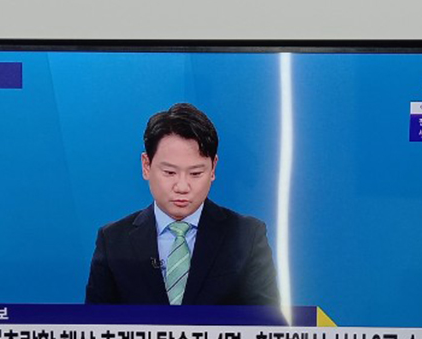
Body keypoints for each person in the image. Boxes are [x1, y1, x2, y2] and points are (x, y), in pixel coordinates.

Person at [85, 103, 280, 306]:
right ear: (146, 166)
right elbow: (94, 323)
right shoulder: (113, 241)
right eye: (169, 172)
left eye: (196, 173)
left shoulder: (247, 237)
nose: (182, 187)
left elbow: (267, 322)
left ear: (213, 168)